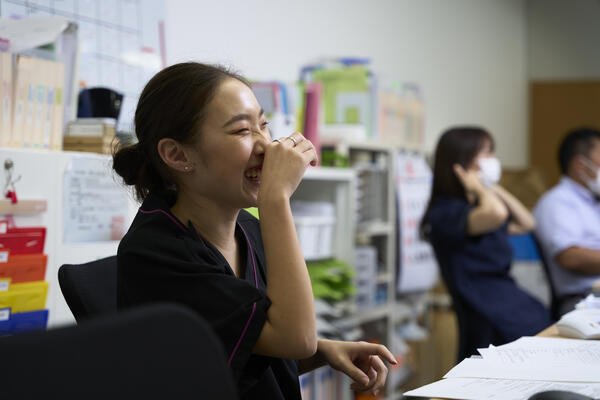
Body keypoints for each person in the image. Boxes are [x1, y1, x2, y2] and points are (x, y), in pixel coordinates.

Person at [112, 62, 396, 399]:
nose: (268, 146)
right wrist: (275, 199)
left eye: (264, 125)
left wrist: (323, 350)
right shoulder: (155, 253)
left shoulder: (247, 227)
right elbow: (294, 339)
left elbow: (243, 345)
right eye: (242, 131)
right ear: (177, 154)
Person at [420, 127, 551, 360]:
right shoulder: (447, 212)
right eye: (486, 154)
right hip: (487, 315)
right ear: (461, 163)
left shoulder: (479, 208)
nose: (493, 161)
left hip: (511, 304)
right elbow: (497, 214)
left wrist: (491, 186)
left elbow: (527, 223)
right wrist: (481, 187)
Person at [533, 127, 600, 316]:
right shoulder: (557, 202)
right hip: (582, 301)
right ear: (581, 165)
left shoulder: (594, 202)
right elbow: (569, 257)